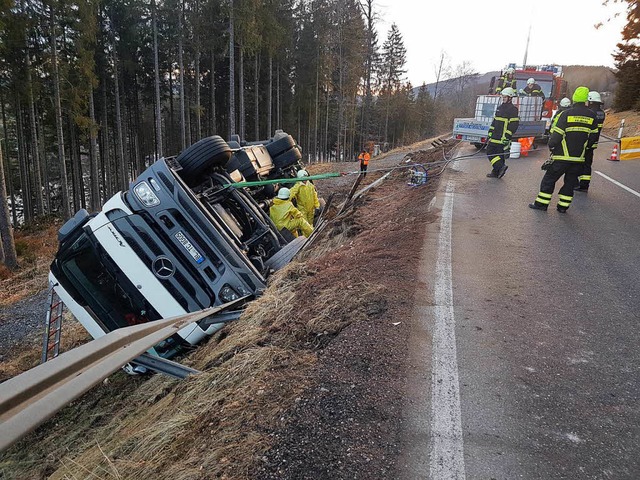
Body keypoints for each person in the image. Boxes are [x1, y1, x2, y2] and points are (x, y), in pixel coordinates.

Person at [529, 86, 598, 213]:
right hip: (578, 158)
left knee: (549, 179)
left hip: (561, 156)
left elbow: (556, 135)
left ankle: (541, 204)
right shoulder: (592, 116)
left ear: (574, 99)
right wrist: (584, 149)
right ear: (586, 100)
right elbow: (593, 138)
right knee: (570, 183)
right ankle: (563, 207)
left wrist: (552, 146)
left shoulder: (566, 114)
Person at [486, 87, 519, 178]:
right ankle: (497, 171)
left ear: (510, 98)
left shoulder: (513, 109)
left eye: (505, 97)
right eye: (503, 97)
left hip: (503, 137)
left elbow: (513, 124)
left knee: (493, 153)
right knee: (494, 153)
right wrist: (490, 131)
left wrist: (507, 136)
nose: (503, 98)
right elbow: (495, 121)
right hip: (495, 135)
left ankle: (499, 167)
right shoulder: (500, 108)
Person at [576, 91, 606, 192]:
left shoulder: (590, 113)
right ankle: (584, 185)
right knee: (587, 164)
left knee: (577, 162)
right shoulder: (602, 113)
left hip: (585, 141)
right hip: (593, 142)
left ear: (590, 101)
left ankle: (576, 182)